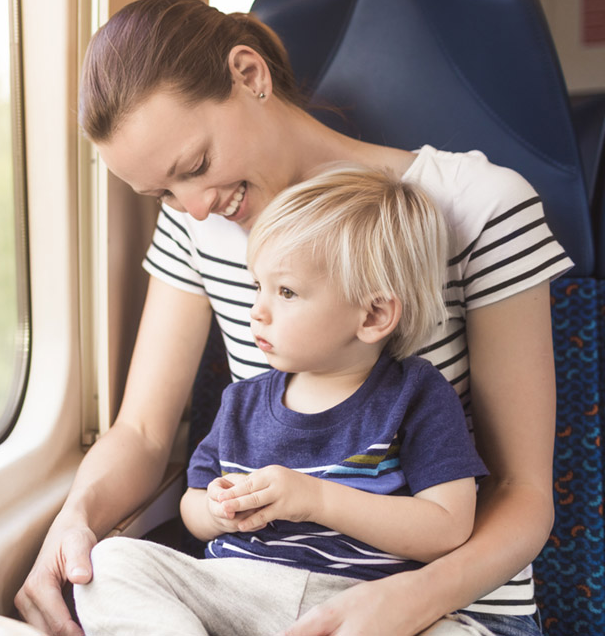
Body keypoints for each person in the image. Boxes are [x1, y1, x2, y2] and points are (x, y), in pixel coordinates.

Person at [15, 0, 568, 636]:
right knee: (114, 566)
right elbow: (141, 431)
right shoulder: (197, 229)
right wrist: (74, 520)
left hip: (439, 599)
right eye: (163, 192)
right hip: (256, 588)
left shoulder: (478, 206)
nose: (194, 207)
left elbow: (523, 492)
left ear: (250, 76)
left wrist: (407, 602)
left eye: (195, 166)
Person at [72, 167, 492, 635]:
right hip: (235, 591)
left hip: (359, 606)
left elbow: (448, 527)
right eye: (257, 286)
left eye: (286, 292)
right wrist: (215, 511)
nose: (258, 310)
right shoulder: (242, 403)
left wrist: (315, 499)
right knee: (110, 561)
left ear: (373, 314)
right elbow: (192, 507)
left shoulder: (415, 395)